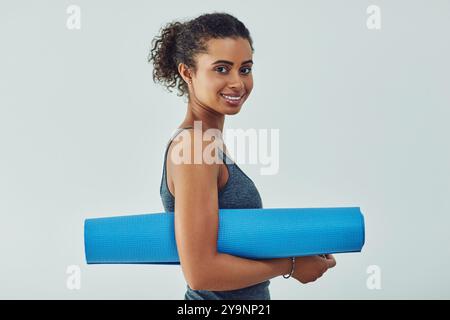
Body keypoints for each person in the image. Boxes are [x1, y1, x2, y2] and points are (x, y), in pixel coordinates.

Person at [148, 12, 336, 300]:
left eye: (245, 69)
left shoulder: (208, 143)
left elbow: (236, 241)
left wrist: (298, 247)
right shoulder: (195, 148)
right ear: (187, 72)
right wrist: (292, 265)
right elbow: (201, 273)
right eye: (222, 69)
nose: (237, 82)